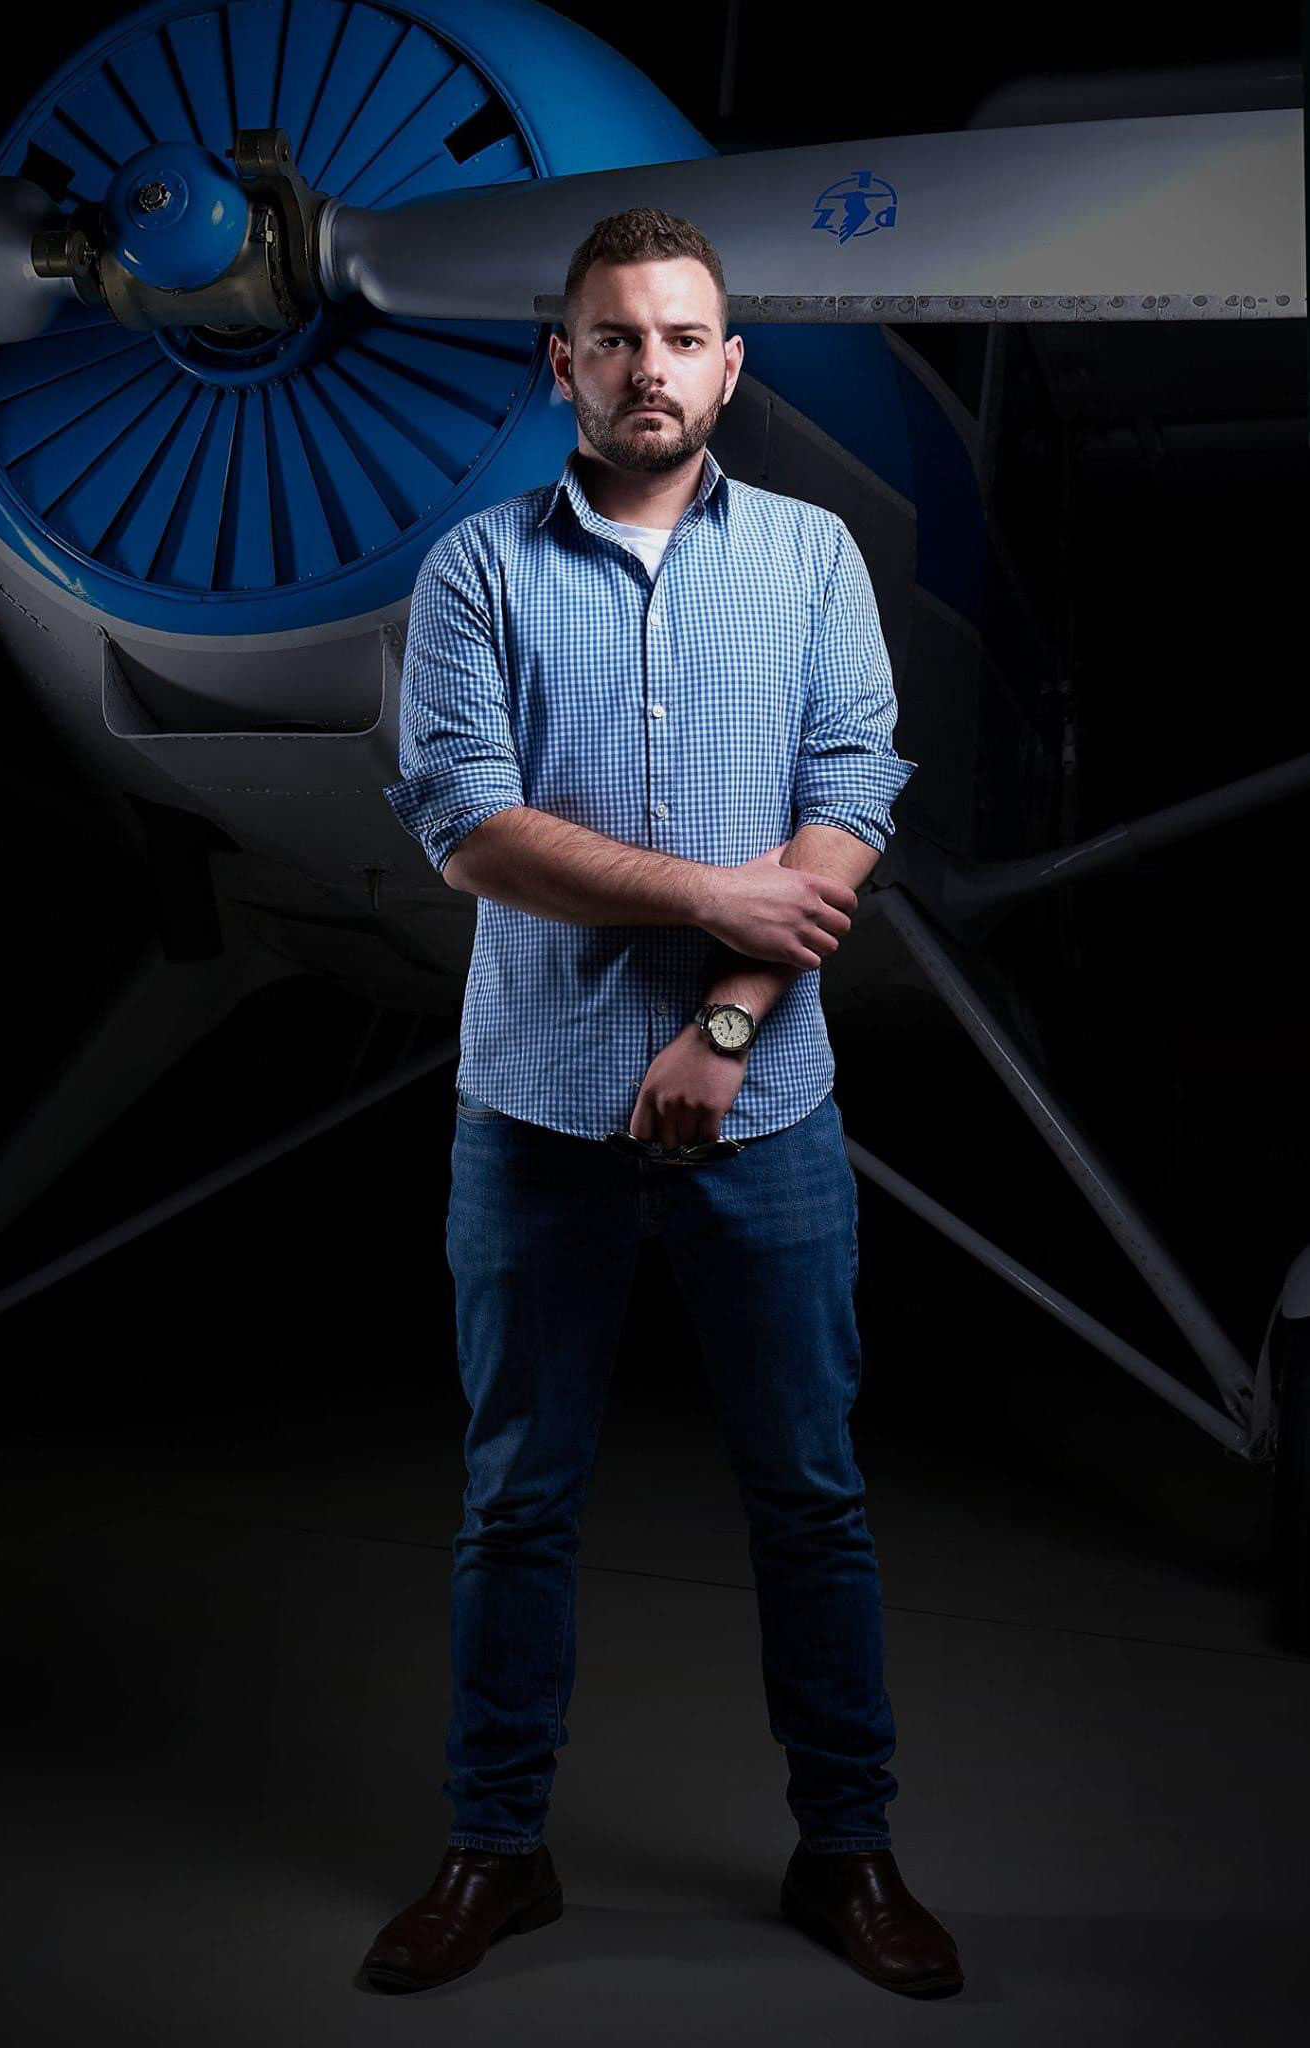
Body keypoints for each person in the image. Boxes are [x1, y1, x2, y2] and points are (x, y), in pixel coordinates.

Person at [360, 209, 962, 2000]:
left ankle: (848, 1850)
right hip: (530, 1120)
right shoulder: (474, 571)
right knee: (514, 1505)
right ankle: (495, 1850)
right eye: (615, 336)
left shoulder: (813, 559)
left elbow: (851, 796)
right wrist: (718, 899)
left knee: (813, 1496)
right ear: (562, 360)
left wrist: (724, 1022)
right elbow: (469, 832)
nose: (650, 367)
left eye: (683, 337)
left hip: (766, 1115)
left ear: (729, 365)